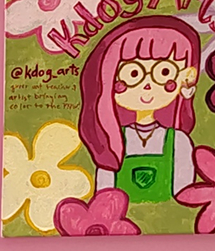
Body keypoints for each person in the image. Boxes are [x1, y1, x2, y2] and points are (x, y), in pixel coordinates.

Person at [77, 16, 200, 208]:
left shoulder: (178, 142)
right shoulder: (111, 143)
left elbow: (185, 197)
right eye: (134, 74)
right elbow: (102, 200)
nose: (148, 85)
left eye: (164, 72)